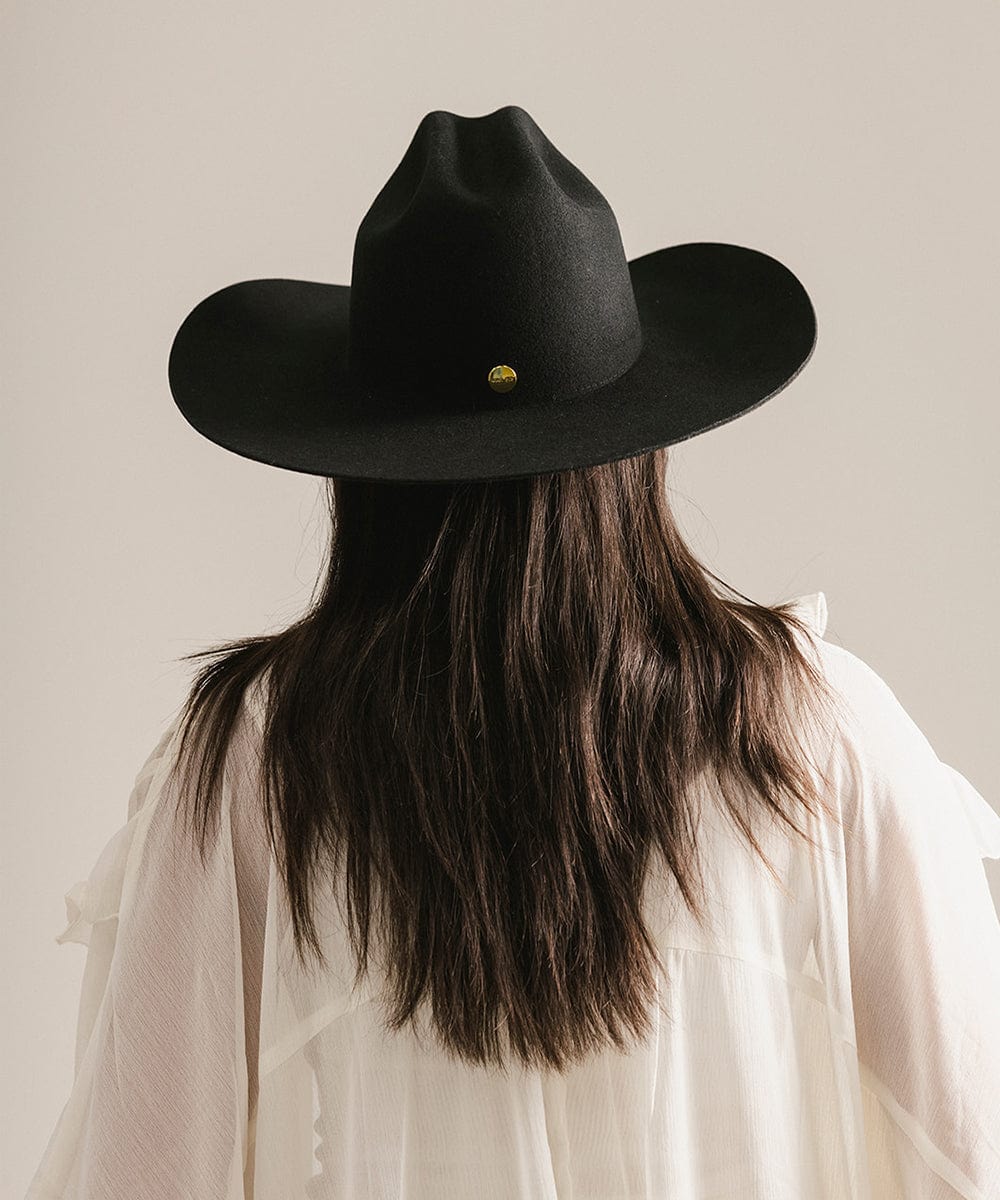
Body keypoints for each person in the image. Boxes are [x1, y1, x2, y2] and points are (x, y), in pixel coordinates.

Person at [25, 105, 1000, 1200]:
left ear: (358, 464)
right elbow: (968, 1146)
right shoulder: (819, 735)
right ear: (637, 448)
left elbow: (145, 1170)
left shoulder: (254, 763)